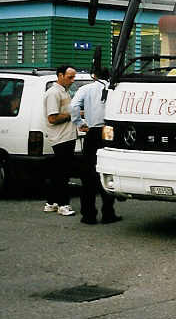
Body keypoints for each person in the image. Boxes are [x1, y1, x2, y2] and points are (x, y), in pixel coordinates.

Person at [71, 68, 121, 225]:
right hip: (109, 131)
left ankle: (88, 214)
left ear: (94, 75)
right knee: (107, 170)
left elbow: (73, 107)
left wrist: (80, 123)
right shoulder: (114, 89)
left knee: (88, 174)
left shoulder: (85, 89)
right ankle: (108, 212)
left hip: (92, 132)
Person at [43, 65, 78, 216]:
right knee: (63, 173)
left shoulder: (63, 92)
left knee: (59, 172)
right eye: (70, 77)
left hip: (67, 136)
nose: (72, 80)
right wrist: (72, 115)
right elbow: (52, 118)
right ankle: (63, 205)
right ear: (60, 75)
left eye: (73, 77)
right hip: (60, 138)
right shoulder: (53, 93)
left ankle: (51, 203)